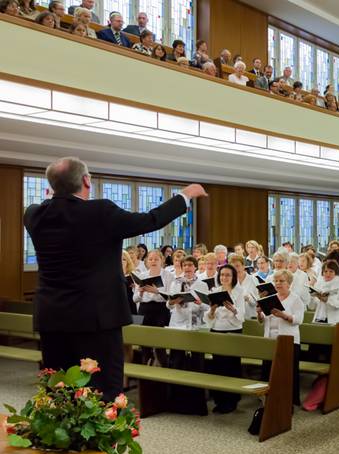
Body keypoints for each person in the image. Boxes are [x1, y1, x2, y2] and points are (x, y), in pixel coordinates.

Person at [24, 157, 202, 398]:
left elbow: (54, 204)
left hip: (52, 317)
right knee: (101, 388)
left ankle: (62, 433)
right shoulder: (100, 212)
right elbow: (150, 219)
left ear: (52, 186)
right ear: (86, 180)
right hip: (97, 319)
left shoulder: (34, 215)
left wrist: (57, 190)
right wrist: (185, 195)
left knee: (59, 386)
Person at [165, 255, 209, 414]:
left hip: (195, 325)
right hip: (178, 325)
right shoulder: (176, 282)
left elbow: (207, 307)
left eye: (191, 265)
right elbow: (168, 305)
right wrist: (172, 302)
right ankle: (176, 402)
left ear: (195, 267)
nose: (188, 268)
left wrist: (200, 303)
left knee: (196, 363)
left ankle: (196, 404)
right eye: (185, 265)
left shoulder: (202, 284)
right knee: (177, 360)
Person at [256, 268, 303, 406]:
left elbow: (299, 320)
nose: (278, 283)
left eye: (281, 281)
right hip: (270, 339)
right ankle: (269, 399)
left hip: (288, 340)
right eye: (276, 281)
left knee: (286, 373)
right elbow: (262, 320)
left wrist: (283, 315)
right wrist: (259, 313)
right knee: (268, 370)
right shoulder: (271, 298)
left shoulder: (296, 299)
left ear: (289, 283)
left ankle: (288, 401)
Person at [204, 264, 246, 413]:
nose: (224, 278)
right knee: (218, 366)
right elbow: (208, 317)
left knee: (231, 366)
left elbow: (242, 316)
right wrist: (212, 310)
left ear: (233, 277)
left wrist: (233, 309)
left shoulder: (239, 292)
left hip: (233, 331)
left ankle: (231, 400)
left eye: (228, 275)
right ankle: (219, 400)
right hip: (217, 331)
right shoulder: (215, 291)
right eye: (222, 275)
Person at [311, 259, 339, 328]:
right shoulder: (319, 283)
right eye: (325, 271)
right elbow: (312, 306)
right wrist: (315, 297)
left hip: (336, 319)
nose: (328, 274)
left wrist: (327, 300)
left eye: (331, 271)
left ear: (336, 272)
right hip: (320, 317)